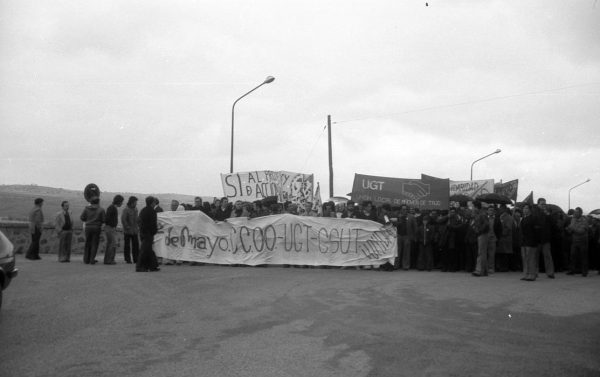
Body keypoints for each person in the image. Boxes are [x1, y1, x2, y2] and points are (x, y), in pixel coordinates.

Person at [136, 196, 160, 272]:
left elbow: (139, 221)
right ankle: (140, 267)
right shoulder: (152, 211)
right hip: (148, 233)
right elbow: (153, 224)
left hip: (143, 232)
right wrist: (153, 232)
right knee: (144, 250)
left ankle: (153, 266)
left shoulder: (143, 210)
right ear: (152, 203)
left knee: (149, 250)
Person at [80, 197, 106, 265]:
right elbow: (104, 220)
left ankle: (86, 259)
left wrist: (88, 220)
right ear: (98, 202)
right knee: (94, 243)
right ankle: (92, 259)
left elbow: (82, 217)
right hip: (96, 227)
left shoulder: (86, 209)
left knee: (87, 243)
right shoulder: (101, 209)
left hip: (88, 227)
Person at [535, 198, 556, 278]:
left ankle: (550, 272)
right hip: (537, 238)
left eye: (544, 204)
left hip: (546, 238)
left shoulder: (548, 213)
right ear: (538, 205)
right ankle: (535, 272)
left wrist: (547, 214)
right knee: (535, 256)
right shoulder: (535, 213)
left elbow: (553, 223)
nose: (543, 206)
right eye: (542, 204)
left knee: (547, 256)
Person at [566, 207, 589, 277]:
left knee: (583, 256)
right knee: (572, 256)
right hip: (574, 240)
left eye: (576, 212)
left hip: (582, 240)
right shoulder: (573, 219)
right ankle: (572, 270)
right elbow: (570, 228)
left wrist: (572, 228)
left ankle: (584, 271)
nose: (575, 213)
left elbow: (581, 231)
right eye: (575, 212)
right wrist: (568, 229)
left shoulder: (584, 220)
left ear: (580, 213)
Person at [472, 201, 490, 277]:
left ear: (476, 207)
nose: (472, 208)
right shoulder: (478, 214)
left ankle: (479, 270)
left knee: (481, 252)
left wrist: (479, 230)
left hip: (483, 234)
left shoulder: (482, 214)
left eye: (473, 207)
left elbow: (486, 224)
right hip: (481, 234)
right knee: (483, 252)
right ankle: (484, 271)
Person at [104, 195, 124, 265]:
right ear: (118, 202)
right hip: (110, 228)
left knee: (110, 244)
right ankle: (109, 260)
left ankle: (107, 260)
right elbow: (107, 219)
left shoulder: (111, 207)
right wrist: (113, 225)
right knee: (112, 244)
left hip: (109, 227)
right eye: (121, 202)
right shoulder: (112, 208)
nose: (122, 204)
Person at [520, 203, 538, 281]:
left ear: (530, 210)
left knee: (530, 258)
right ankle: (526, 274)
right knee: (524, 258)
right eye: (524, 208)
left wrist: (534, 240)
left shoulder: (533, 218)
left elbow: (536, 231)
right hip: (523, 241)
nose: (525, 210)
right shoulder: (523, 219)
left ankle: (532, 274)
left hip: (531, 241)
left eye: (526, 208)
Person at [121, 196, 140, 264]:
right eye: (135, 202)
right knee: (127, 246)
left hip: (134, 231)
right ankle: (127, 259)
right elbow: (123, 219)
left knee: (136, 246)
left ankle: (136, 258)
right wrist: (127, 226)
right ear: (132, 202)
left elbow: (137, 219)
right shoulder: (126, 210)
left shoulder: (135, 210)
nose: (136, 204)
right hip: (128, 231)